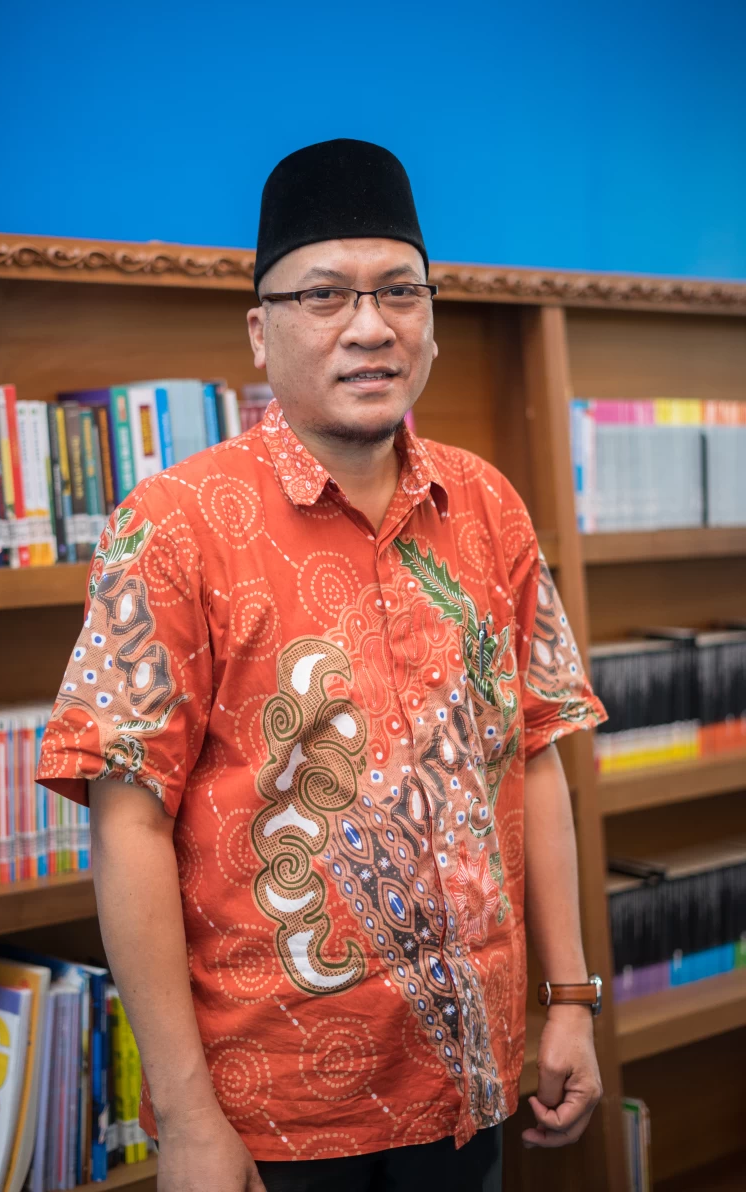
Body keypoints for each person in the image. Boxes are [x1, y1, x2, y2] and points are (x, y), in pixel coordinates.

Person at [37, 139, 607, 1192]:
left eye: (400, 291)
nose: (369, 326)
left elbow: (535, 754)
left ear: (430, 318)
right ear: (261, 332)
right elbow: (127, 820)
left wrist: (568, 999)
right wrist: (187, 1117)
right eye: (324, 295)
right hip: (273, 1108)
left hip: (470, 1077)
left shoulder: (489, 508)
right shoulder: (171, 527)